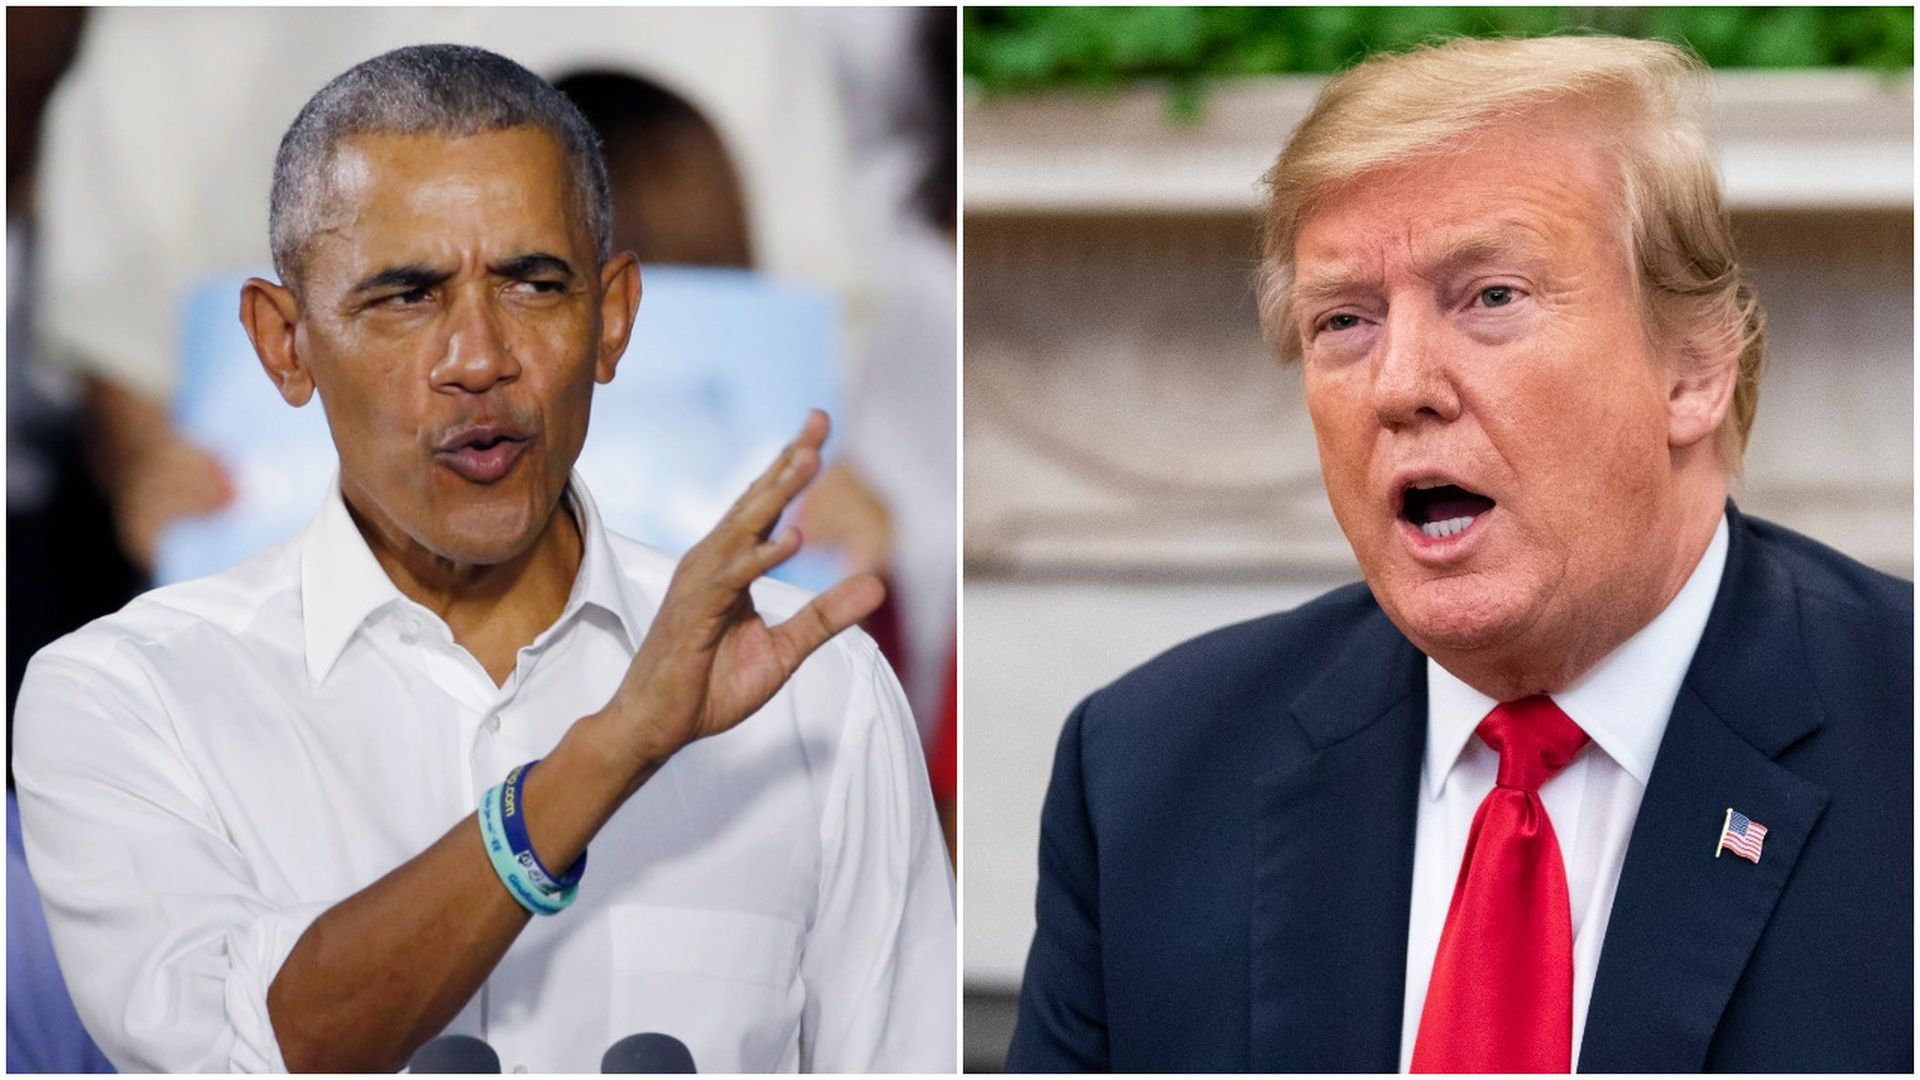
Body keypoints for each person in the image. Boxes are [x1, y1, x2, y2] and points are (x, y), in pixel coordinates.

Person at [14, 44, 954, 1073]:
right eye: (407, 296)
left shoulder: (819, 702)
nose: (478, 359)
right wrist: (613, 749)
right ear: (284, 342)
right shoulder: (129, 701)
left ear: (614, 319)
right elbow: (255, 1051)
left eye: (533, 284)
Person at [1006, 34, 1910, 1073]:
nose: (1399, 386)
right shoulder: (1148, 773)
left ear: (1693, 371)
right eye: (1344, 320)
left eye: (1490, 298)